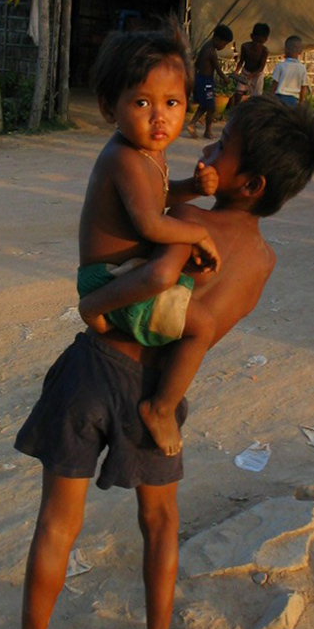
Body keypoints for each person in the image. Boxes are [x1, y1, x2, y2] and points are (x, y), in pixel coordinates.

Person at [0, 96, 314, 629]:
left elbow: (148, 274)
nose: (205, 150)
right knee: (162, 521)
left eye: (220, 146)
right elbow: (203, 329)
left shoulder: (193, 222)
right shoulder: (261, 261)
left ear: (249, 183)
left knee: (56, 525)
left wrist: (94, 308)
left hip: (96, 365)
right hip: (157, 392)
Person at [77, 25, 222, 458]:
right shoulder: (123, 158)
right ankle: (160, 407)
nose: (160, 117)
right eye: (142, 103)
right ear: (109, 107)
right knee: (202, 327)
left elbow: (157, 198)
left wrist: (191, 189)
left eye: (172, 103)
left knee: (190, 278)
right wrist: (199, 230)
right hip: (112, 281)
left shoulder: (147, 151)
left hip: (126, 275)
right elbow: (150, 223)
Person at [187, 24, 233, 140]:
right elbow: (217, 69)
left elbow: (197, 64)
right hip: (206, 82)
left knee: (204, 105)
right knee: (211, 107)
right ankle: (207, 131)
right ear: (217, 39)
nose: (223, 47)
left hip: (201, 79)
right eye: (224, 44)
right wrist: (225, 79)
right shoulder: (211, 52)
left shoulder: (205, 47)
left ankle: (193, 124)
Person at [231, 22, 270, 105]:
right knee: (238, 93)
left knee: (256, 97)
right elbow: (241, 61)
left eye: (260, 42)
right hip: (245, 72)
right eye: (255, 41)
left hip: (257, 74)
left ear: (265, 40)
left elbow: (261, 68)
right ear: (251, 36)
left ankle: (253, 113)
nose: (257, 44)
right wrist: (236, 71)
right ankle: (236, 110)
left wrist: (252, 75)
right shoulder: (245, 46)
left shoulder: (265, 51)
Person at [270, 34, 309, 107]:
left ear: (286, 50)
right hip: (294, 101)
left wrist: (271, 99)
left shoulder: (280, 66)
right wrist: (301, 102)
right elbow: (303, 87)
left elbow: (274, 84)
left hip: (279, 99)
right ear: (300, 51)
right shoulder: (302, 68)